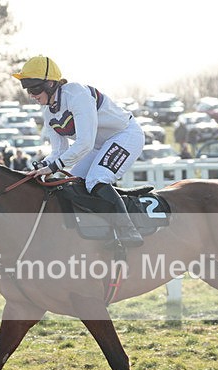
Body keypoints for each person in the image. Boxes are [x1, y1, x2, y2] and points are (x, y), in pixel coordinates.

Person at [13, 55, 145, 247]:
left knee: (96, 179)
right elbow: (59, 151)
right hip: (98, 145)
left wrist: (53, 167)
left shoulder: (77, 95)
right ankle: (101, 231)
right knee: (72, 184)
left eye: (34, 88)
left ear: (50, 84)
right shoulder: (48, 111)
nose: (32, 94)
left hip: (125, 136)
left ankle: (128, 230)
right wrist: (42, 166)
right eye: (28, 90)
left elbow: (84, 143)